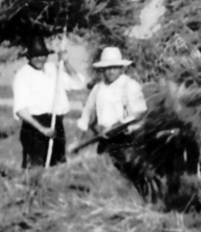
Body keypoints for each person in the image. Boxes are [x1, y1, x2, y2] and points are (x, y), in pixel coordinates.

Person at [12, 37, 86, 168]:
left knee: (58, 166)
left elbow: (78, 83)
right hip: (34, 127)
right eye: (35, 55)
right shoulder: (23, 75)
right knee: (35, 167)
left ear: (47, 55)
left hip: (56, 124)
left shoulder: (53, 69)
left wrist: (66, 62)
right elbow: (20, 110)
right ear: (28, 56)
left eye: (42, 55)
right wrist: (42, 129)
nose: (40, 58)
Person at [76, 46, 147, 159]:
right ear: (102, 69)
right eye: (108, 68)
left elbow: (140, 113)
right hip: (104, 140)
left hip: (126, 141)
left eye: (115, 67)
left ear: (121, 67)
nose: (111, 71)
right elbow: (87, 116)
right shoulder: (97, 89)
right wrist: (79, 140)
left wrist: (124, 126)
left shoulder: (130, 85)